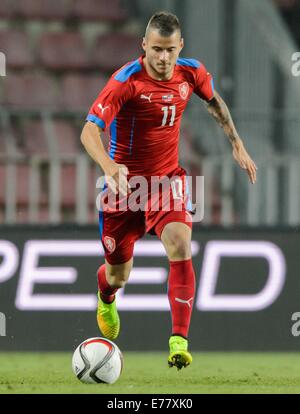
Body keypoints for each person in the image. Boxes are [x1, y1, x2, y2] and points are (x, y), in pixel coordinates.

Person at [80, 11, 257, 370]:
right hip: (125, 186)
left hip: (166, 181)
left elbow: (214, 102)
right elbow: (88, 131)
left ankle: (179, 341)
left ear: (180, 48)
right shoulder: (125, 81)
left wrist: (236, 143)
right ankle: (107, 294)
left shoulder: (191, 72)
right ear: (144, 45)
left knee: (179, 242)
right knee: (119, 274)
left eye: (170, 51)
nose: (163, 58)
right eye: (157, 50)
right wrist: (109, 167)